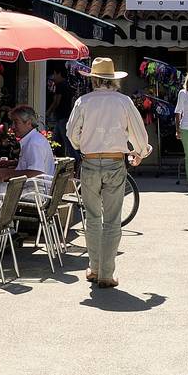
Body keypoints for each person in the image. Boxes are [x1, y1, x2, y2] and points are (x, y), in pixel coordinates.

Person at [66, 57, 152, 290]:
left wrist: (82, 145)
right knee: (112, 220)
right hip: (115, 163)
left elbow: (72, 134)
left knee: (93, 217)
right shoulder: (123, 102)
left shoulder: (83, 102)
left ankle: (94, 268)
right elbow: (138, 132)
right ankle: (106, 272)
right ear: (112, 80)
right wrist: (141, 152)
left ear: (94, 79)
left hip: (90, 162)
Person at [0, 105, 56, 223]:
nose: (12, 127)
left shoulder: (34, 143)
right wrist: (12, 163)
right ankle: (6, 232)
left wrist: (8, 173)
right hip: (38, 190)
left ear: (28, 123)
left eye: (16, 122)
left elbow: (36, 172)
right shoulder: (35, 139)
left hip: (35, 192)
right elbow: (33, 164)